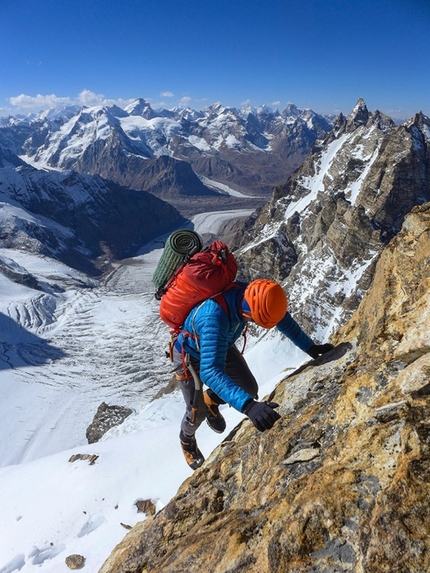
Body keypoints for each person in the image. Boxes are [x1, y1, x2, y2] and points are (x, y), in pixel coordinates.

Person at [172, 278, 333, 470]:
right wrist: (248, 406)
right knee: (195, 413)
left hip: (218, 342)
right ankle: (186, 439)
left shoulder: (252, 296)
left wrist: (311, 348)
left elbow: (281, 318)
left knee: (248, 387)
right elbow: (209, 370)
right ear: (248, 314)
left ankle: (211, 400)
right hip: (188, 355)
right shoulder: (213, 318)